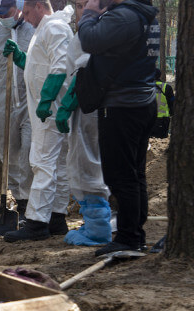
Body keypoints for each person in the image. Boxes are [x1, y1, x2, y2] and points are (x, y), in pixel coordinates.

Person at [77, 0, 159, 256]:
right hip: (141, 102)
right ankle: (134, 233)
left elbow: (89, 40)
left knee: (120, 175)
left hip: (123, 106)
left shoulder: (125, 17)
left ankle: (129, 238)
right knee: (134, 174)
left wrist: (89, 12)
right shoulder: (143, 15)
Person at [2, 1, 74, 242]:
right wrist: (21, 57)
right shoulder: (44, 29)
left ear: (40, 6)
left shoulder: (54, 29)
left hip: (49, 110)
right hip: (49, 109)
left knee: (42, 163)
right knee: (57, 165)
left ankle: (36, 222)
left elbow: (60, 65)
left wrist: (47, 98)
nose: (25, 16)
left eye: (28, 11)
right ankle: (56, 217)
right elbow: (38, 67)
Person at [55, 0, 112, 246]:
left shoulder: (97, 33)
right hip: (86, 108)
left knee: (88, 163)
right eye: (78, 6)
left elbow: (88, 69)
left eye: (86, 6)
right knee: (83, 161)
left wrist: (70, 100)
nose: (81, 12)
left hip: (90, 107)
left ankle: (98, 227)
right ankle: (93, 221)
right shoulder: (85, 33)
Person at [0, 0, 35, 220]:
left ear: (20, 7)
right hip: (3, 102)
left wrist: (23, 58)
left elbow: (45, 64)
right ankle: (21, 204)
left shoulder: (33, 28)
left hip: (30, 100)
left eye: (7, 12)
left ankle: (34, 202)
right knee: (9, 154)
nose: (3, 17)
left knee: (30, 152)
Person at [150, 68, 174, 138]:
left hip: (148, 119)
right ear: (160, 75)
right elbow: (172, 102)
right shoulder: (167, 87)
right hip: (163, 120)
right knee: (162, 140)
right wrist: (171, 113)